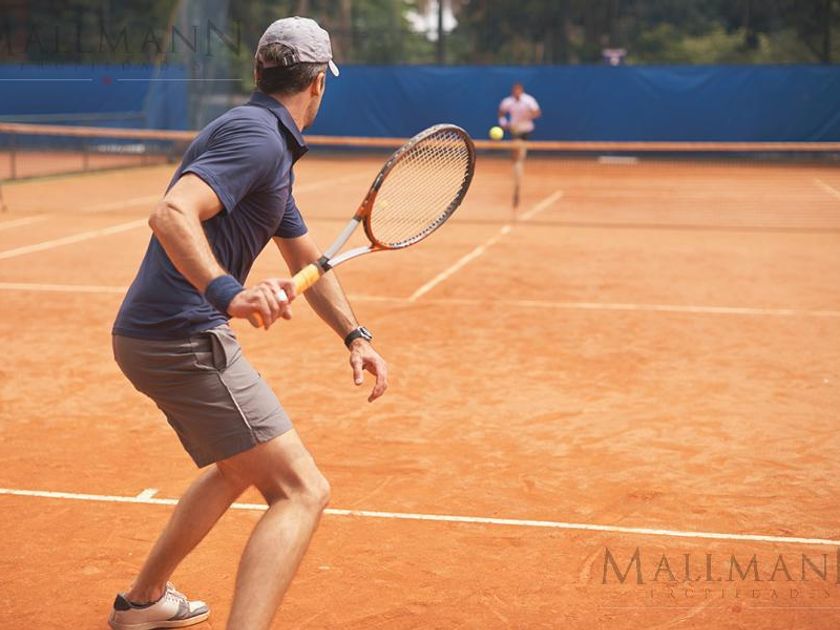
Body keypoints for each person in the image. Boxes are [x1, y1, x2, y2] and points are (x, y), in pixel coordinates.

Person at [107, 16, 387, 630]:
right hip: (182, 335)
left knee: (238, 466)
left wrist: (355, 335)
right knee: (302, 490)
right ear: (318, 83)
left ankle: (144, 601)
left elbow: (308, 261)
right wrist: (229, 294)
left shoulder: (266, 147)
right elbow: (171, 213)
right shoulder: (258, 139)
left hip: (153, 334)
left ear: (260, 71)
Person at [497, 82, 541, 209]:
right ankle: (517, 175)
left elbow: (537, 112)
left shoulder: (529, 100)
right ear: (513, 92)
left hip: (526, 131)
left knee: (520, 155)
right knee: (517, 155)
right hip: (515, 131)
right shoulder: (507, 102)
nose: (517, 93)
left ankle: (518, 172)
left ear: (521, 91)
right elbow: (501, 112)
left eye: (519, 91)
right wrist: (503, 122)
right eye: (515, 91)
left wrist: (530, 114)